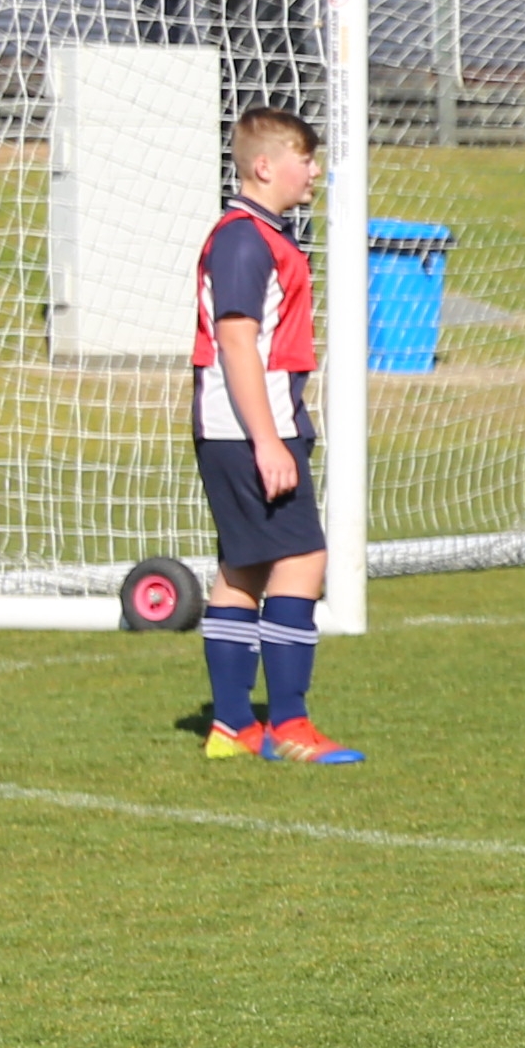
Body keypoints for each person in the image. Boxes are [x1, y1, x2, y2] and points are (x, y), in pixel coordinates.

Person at [190, 105, 361, 766]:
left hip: (241, 427)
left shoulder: (264, 234)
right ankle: (288, 726)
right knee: (302, 561)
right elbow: (236, 342)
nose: (313, 170)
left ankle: (234, 726)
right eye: (304, 158)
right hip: (246, 428)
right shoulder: (242, 238)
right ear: (265, 166)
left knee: (244, 569)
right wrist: (267, 440)